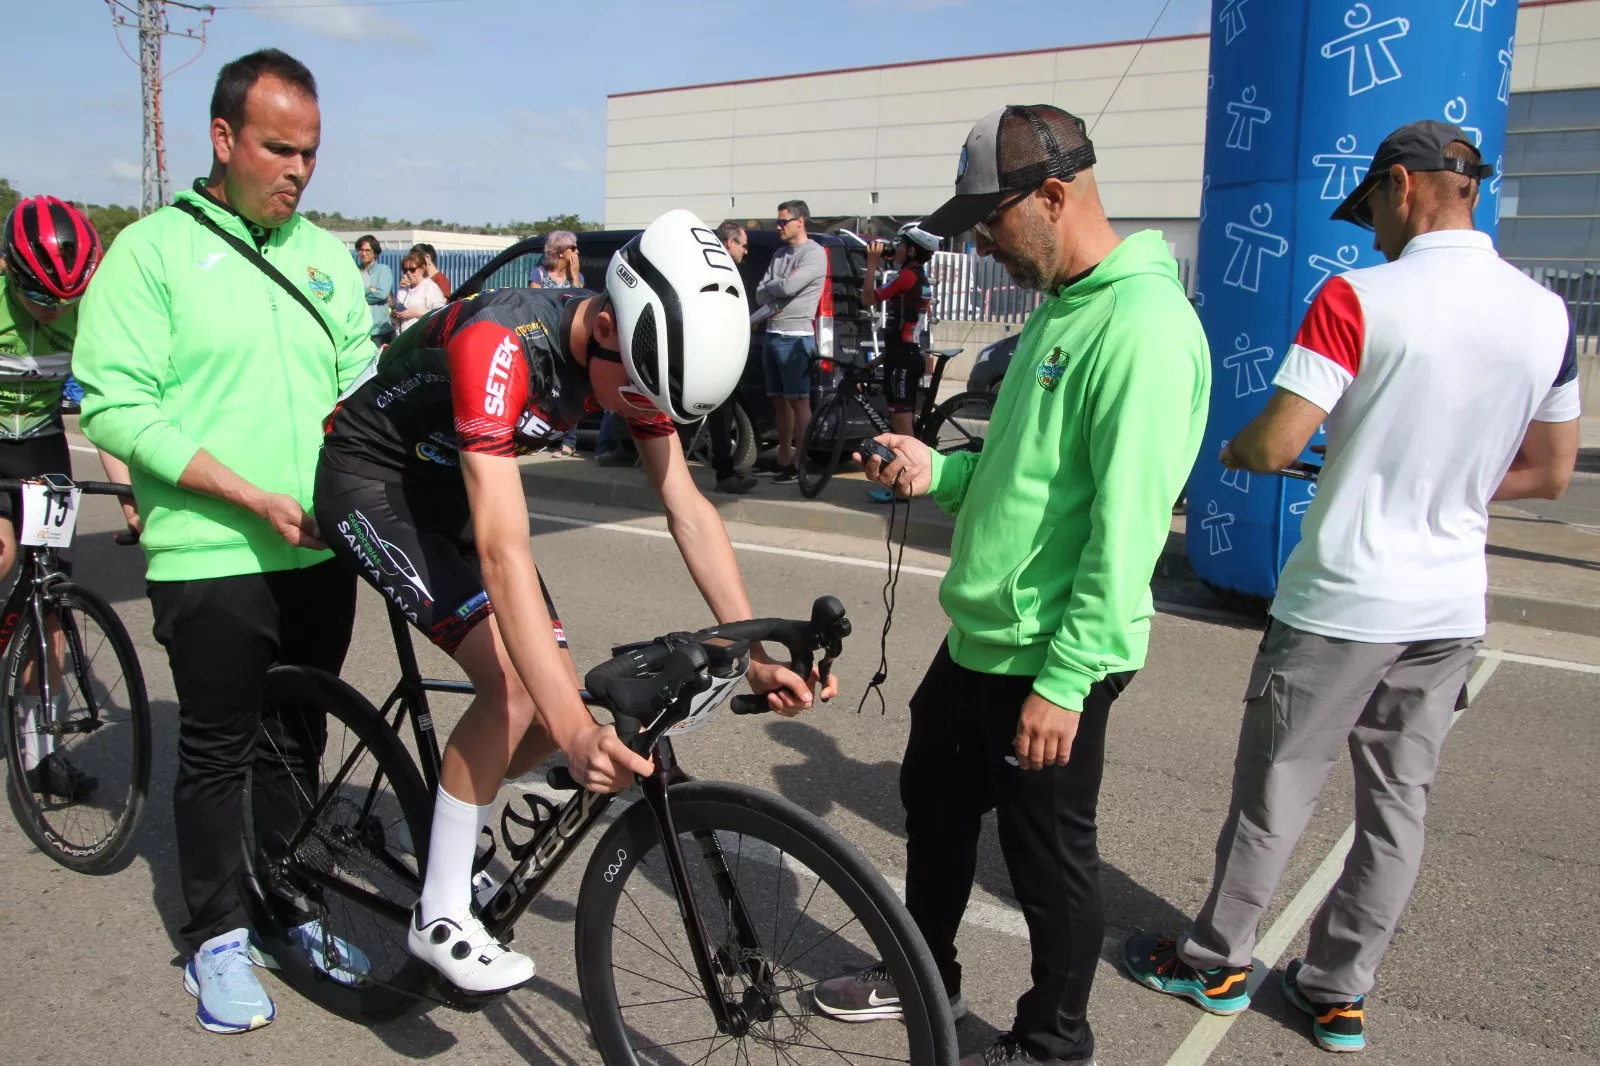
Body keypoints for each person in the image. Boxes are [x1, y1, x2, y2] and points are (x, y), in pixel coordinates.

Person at [1124, 120, 1580, 1056]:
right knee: (1397, 805)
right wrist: (1433, 475)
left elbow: (1279, 442)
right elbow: (1549, 471)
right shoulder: (1548, 314)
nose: (1370, 226)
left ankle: (1213, 961)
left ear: (1405, 185)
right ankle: (1338, 993)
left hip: (1342, 599)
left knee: (1278, 789)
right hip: (1451, 605)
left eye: (1371, 203)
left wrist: (1239, 449)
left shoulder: (1358, 297)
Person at [314, 209, 836, 995]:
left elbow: (685, 505)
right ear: (601, 330)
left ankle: (471, 795)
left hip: (451, 484)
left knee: (552, 702)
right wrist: (569, 728)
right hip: (374, 480)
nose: (639, 413)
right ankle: (441, 911)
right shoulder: (501, 341)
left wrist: (754, 657)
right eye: (635, 393)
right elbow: (503, 549)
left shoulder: (636, 356)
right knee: (522, 692)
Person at [817, 105, 1210, 1066]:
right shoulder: (1067, 306)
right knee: (934, 808)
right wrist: (938, 472)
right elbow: (1024, 475)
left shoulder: (1144, 326)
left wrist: (1066, 684)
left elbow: (1124, 537)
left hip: (1048, 656)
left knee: (1049, 868)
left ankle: (1050, 1045)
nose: (986, 246)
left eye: (992, 222)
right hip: (980, 641)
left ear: (1054, 195)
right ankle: (922, 976)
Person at [73, 48, 377, 1036]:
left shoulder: (327, 259)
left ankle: (286, 904)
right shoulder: (153, 252)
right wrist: (243, 492)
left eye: (312, 154)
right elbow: (117, 406)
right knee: (218, 749)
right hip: (209, 551)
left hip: (319, 553)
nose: (297, 169)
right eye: (279, 148)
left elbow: (364, 389)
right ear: (223, 139)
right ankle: (214, 932)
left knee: (295, 739)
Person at [0, 195, 137, 799]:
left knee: (49, 602)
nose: (59, 311)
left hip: (41, 446)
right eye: (44, 298)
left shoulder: (84, 312)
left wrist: (130, 491)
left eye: (70, 299)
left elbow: (105, 407)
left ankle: (40, 754)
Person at [862, 222, 938, 503]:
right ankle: (907, 480)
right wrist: (881, 359)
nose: (896, 249)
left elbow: (868, 298)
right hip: (905, 356)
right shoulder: (919, 278)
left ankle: (906, 484)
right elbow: (906, 331)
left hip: (903, 361)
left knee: (902, 430)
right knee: (902, 425)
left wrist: (872, 264)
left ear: (912, 250)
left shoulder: (908, 276)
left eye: (902, 244)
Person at [752, 200, 826, 485]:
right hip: (773, 332)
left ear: (801, 221)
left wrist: (777, 286)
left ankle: (800, 462)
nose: (778, 226)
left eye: (784, 221)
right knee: (779, 402)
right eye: (778, 221)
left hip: (795, 337)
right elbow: (761, 293)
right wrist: (777, 286)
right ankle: (783, 459)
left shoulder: (814, 254)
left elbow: (787, 287)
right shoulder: (780, 254)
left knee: (799, 401)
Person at [706, 220, 756, 494]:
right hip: (716, 353)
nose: (745, 252)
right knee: (719, 414)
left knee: (719, 415)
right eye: (743, 246)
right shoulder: (720, 271)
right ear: (730, 243)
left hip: (721, 351)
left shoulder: (717, 268)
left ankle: (724, 471)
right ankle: (724, 474)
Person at [529, 230, 586, 457]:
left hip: (566, 341)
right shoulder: (540, 274)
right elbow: (534, 305)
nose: (576, 252)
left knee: (566, 390)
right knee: (541, 391)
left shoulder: (577, 278)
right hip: (544, 338)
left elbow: (581, 303)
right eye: (573, 248)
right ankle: (539, 438)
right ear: (561, 251)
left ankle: (568, 442)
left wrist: (574, 278)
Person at [392, 251, 445, 332]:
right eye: (405, 270)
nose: (408, 273)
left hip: (421, 336)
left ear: (422, 268)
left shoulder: (430, 287)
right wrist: (395, 315)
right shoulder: (403, 290)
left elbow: (440, 313)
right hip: (402, 337)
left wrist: (415, 312)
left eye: (412, 269)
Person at [356, 233, 394, 345]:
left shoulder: (383, 270)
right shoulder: (354, 271)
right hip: (359, 330)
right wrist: (369, 289)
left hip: (379, 330)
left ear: (375, 253)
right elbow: (350, 295)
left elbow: (382, 294)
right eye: (361, 250)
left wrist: (360, 295)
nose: (364, 253)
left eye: (368, 250)